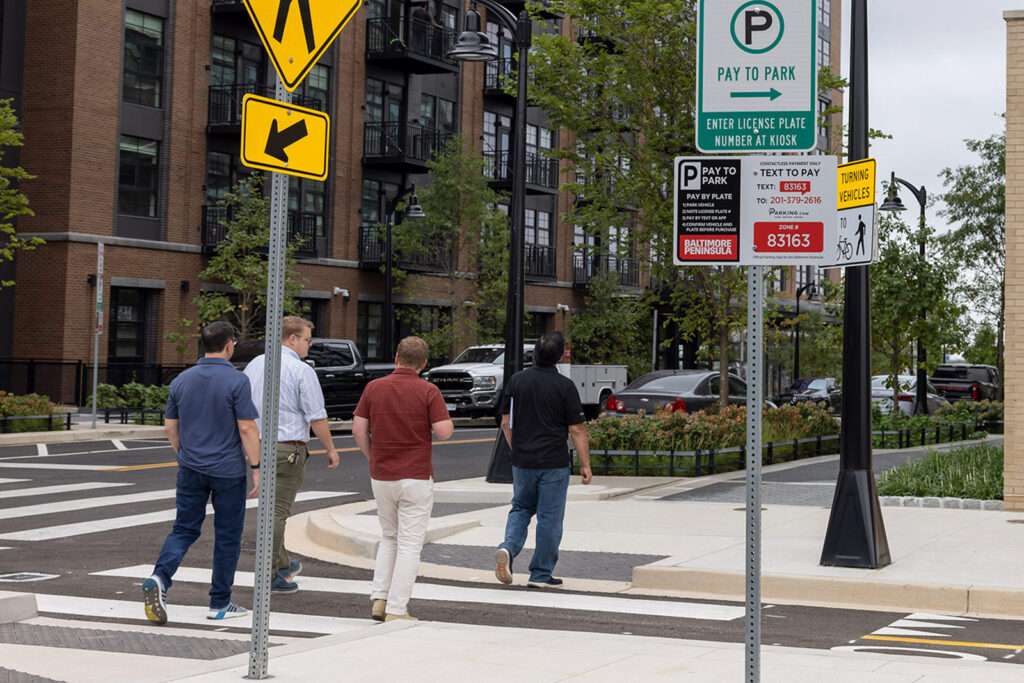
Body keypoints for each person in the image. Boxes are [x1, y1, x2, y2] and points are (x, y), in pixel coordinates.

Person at [143, 321, 261, 624]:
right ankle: (219, 602)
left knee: (183, 528)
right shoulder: (237, 381)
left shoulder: (181, 380)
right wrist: (257, 468)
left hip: (191, 468)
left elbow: (170, 427)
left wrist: (184, 453)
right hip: (227, 471)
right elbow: (247, 427)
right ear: (229, 344)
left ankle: (160, 577)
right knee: (227, 536)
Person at [352, 336, 453, 622]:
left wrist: (372, 456)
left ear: (396, 357)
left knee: (388, 537)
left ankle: (379, 597)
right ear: (423, 364)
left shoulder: (374, 387)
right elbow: (444, 431)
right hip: (416, 475)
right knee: (410, 543)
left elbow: (359, 428)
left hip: (382, 474)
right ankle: (397, 608)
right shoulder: (428, 391)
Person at [244, 316, 340, 594]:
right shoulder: (301, 370)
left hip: (257, 444)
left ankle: (283, 563)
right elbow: (316, 415)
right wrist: (330, 449)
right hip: (288, 447)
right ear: (292, 339)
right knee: (277, 513)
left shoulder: (254, 365)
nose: (309, 345)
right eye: (307, 339)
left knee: (269, 509)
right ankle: (270, 573)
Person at [494, 331, 592, 589]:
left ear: (534, 354)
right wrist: (585, 464)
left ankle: (508, 548)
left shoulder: (516, 382)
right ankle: (540, 573)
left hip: (523, 461)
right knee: (549, 517)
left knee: (521, 508)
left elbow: (506, 423)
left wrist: (518, 448)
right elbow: (577, 429)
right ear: (559, 357)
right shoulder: (565, 386)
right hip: (553, 462)